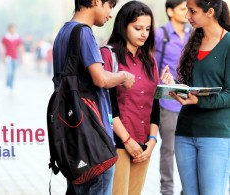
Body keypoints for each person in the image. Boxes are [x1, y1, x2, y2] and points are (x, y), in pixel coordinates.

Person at [52, 0, 135, 194]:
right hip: (93, 141)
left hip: (73, 137)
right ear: (96, 1)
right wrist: (123, 76)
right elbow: (100, 78)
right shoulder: (84, 33)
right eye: (109, 6)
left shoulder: (63, 33)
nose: (110, 14)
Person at [101, 1, 163, 194]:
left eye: (147, 28)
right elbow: (108, 105)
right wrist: (127, 140)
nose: (144, 33)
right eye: (137, 28)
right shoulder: (109, 55)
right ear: (124, 25)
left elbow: (155, 103)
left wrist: (152, 141)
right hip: (118, 141)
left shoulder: (150, 61)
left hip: (144, 143)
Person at [169, 0, 230, 194]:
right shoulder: (193, 41)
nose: (187, 16)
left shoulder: (228, 43)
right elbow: (189, 85)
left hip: (215, 135)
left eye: (192, 11)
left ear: (210, 12)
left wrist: (199, 100)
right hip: (185, 131)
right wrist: (173, 86)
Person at [154, 1, 190, 194]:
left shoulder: (193, 35)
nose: (186, 13)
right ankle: (166, 190)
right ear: (170, 11)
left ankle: (188, 189)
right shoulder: (161, 35)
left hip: (189, 102)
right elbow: (149, 61)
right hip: (167, 103)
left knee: (187, 150)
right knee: (169, 150)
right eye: (182, 9)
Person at [1, 24, 23, 92]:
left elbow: (20, 48)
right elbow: (3, 48)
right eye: (11, 29)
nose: (12, 30)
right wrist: (2, 57)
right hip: (8, 57)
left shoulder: (17, 37)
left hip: (15, 57)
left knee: (13, 73)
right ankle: (8, 86)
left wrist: (22, 57)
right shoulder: (5, 37)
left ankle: (11, 86)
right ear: (9, 29)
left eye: (13, 28)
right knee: (9, 72)